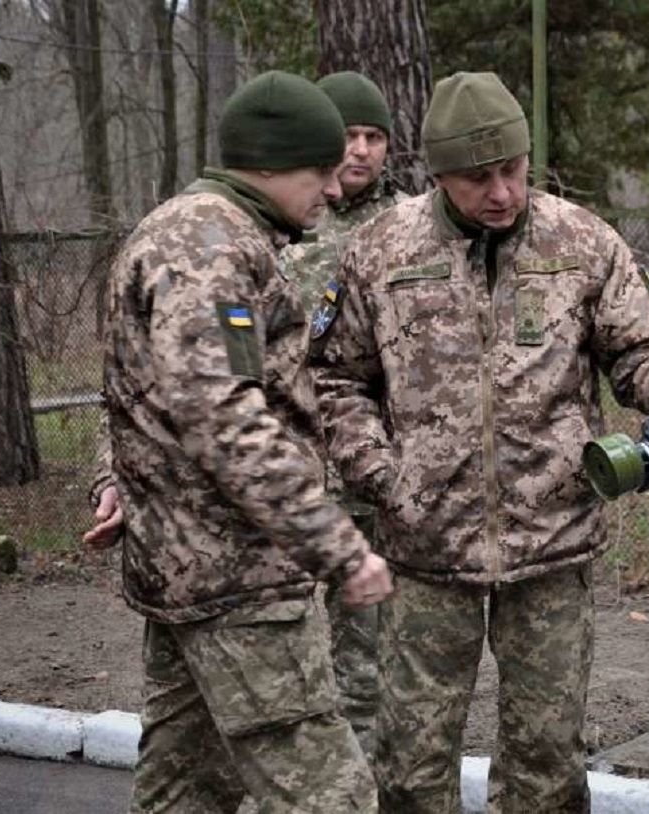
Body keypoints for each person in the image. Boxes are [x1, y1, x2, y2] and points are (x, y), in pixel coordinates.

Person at [309, 71, 649, 813]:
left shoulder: (580, 241)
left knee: (546, 762)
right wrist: (384, 476)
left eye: (513, 169)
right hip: (424, 547)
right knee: (410, 762)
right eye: (478, 179)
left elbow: (642, 354)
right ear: (439, 174)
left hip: (552, 541)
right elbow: (337, 381)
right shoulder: (380, 251)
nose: (501, 192)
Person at [94, 70, 392, 813]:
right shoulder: (210, 247)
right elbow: (225, 415)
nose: (330, 190)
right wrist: (335, 544)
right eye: (318, 172)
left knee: (185, 790)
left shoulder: (188, 232)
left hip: (184, 573)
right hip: (238, 582)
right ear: (266, 163)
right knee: (333, 797)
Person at [281, 71, 409, 757]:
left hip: (368, 475)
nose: (359, 150)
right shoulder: (286, 217)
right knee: (286, 659)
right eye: (348, 135)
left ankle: (361, 790)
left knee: (366, 663)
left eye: (374, 136)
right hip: (286, 477)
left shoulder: (410, 225)